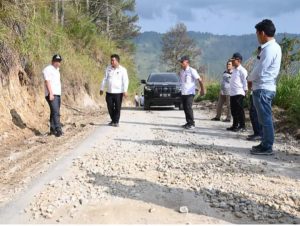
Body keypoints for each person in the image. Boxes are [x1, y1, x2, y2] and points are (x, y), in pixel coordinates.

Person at [248, 19, 282, 155]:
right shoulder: (271, 48)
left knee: (266, 118)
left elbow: (260, 69)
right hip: (263, 87)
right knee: (263, 118)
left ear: (262, 33)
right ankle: (264, 143)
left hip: (263, 88)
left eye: (257, 34)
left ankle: (267, 146)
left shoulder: (270, 49)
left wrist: (249, 79)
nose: (257, 37)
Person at [100, 54, 129, 127]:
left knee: (117, 107)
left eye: (113, 60)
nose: (111, 62)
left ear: (117, 61)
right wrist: (102, 88)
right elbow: (104, 79)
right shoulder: (108, 68)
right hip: (109, 92)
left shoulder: (123, 70)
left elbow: (125, 81)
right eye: (111, 60)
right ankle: (113, 120)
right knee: (109, 106)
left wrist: (125, 90)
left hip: (118, 92)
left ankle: (116, 121)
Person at [178, 55, 205, 130]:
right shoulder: (181, 71)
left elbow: (200, 80)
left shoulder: (192, 70)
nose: (181, 63)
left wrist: (202, 89)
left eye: (182, 62)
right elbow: (182, 82)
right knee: (185, 108)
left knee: (188, 107)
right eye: (180, 62)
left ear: (187, 62)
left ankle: (192, 123)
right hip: (183, 92)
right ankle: (188, 122)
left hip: (190, 93)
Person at [227, 52, 248, 132]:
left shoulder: (242, 70)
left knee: (239, 110)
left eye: (233, 60)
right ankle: (235, 125)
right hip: (232, 93)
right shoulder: (234, 70)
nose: (232, 62)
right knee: (233, 110)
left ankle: (242, 126)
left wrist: (245, 91)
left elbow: (245, 81)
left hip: (239, 93)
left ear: (238, 60)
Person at [43, 54, 63, 137]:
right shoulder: (47, 69)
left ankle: (52, 129)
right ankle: (58, 130)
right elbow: (47, 81)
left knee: (54, 112)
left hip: (57, 94)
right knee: (56, 112)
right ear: (52, 61)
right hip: (51, 94)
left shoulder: (57, 70)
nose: (58, 63)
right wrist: (50, 93)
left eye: (59, 61)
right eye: (56, 61)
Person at [247, 46, 262, 141]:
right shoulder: (258, 61)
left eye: (260, 51)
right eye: (258, 51)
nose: (258, 53)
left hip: (260, 89)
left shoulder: (262, 62)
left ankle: (260, 133)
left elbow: (254, 75)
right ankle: (256, 132)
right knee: (252, 112)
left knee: (256, 113)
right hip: (254, 89)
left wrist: (250, 78)